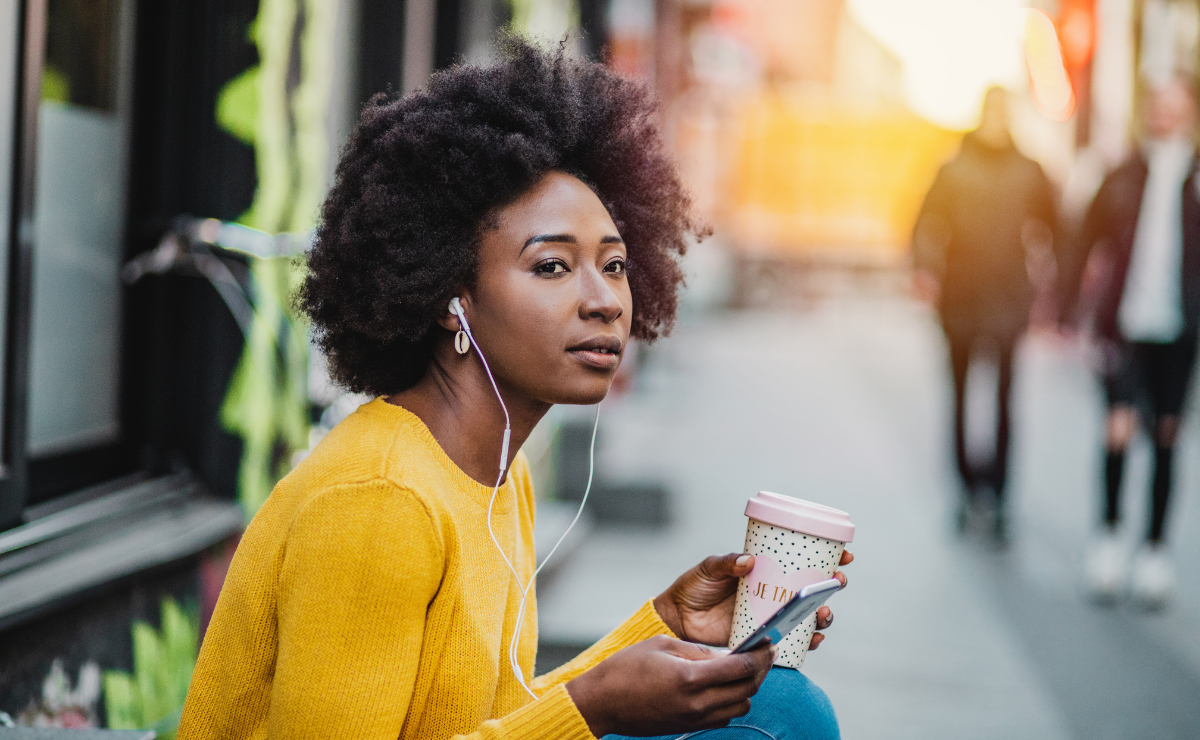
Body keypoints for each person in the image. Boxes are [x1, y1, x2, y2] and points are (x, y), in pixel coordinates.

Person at [177, 40, 851, 740]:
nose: (605, 302)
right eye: (553, 266)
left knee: (779, 703)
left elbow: (493, 720)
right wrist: (593, 710)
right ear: (450, 294)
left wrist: (666, 625)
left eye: (615, 265)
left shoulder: (500, 472)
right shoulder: (380, 502)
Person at [1059, 77, 1200, 607]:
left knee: (1166, 433)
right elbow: (1084, 235)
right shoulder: (1123, 172)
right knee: (1117, 428)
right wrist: (1072, 306)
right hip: (1124, 324)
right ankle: (1110, 538)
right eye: (1157, 105)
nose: (1163, 114)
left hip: (1180, 328)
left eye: (1174, 105)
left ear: (1189, 113)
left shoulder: (1195, 176)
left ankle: (1156, 551)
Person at [913, 87, 1059, 540]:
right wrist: (925, 269)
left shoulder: (1030, 171)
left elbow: (1054, 229)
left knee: (1004, 401)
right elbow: (923, 223)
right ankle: (963, 488)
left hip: (1008, 300)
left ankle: (997, 495)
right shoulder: (954, 168)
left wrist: (1048, 277)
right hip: (960, 298)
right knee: (958, 398)